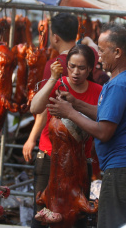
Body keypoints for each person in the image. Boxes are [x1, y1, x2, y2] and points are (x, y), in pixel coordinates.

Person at [47, 23, 126, 228]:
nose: (98, 55)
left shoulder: (119, 85)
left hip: (125, 169)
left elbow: (104, 132)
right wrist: (75, 103)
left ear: (117, 52)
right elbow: (107, 116)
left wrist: (69, 113)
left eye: (102, 50)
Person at [21, 12, 77, 228]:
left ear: (54, 37)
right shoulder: (89, 60)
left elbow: (42, 108)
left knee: (43, 210)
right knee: (68, 211)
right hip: (75, 150)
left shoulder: (55, 65)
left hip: (51, 147)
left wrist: (31, 138)